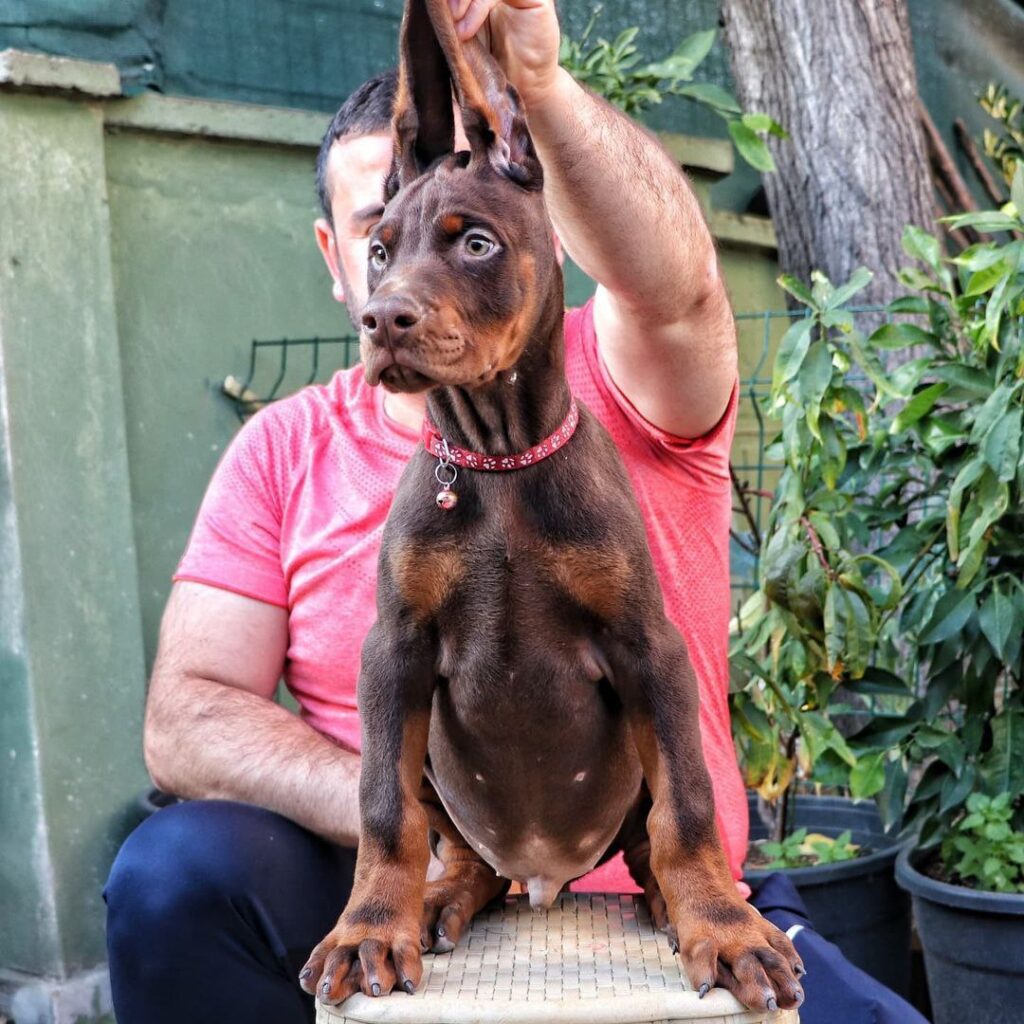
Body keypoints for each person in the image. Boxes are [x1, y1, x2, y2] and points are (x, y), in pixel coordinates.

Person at [103, 1, 745, 1021]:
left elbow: (676, 290)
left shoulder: (615, 370)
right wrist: (422, 832)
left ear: (546, 237)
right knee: (171, 870)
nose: (401, 292)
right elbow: (186, 718)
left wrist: (538, 83)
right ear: (334, 255)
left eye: (472, 239)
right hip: (420, 870)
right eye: (380, 242)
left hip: (654, 869)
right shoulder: (280, 448)